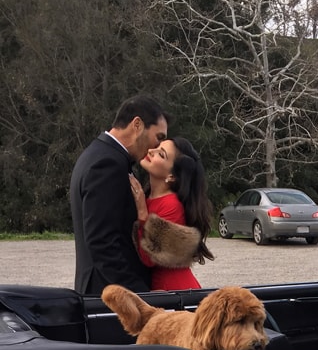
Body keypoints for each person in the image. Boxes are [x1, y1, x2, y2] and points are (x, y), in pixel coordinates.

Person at [70, 96, 168, 295]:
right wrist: (140, 294)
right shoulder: (107, 164)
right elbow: (102, 242)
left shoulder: (100, 154)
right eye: (159, 137)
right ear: (137, 125)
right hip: (110, 298)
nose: (158, 147)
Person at [129, 136, 214, 291]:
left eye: (161, 154)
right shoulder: (147, 196)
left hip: (172, 290)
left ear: (171, 176)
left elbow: (149, 259)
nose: (150, 151)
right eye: (157, 147)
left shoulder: (171, 204)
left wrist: (142, 212)